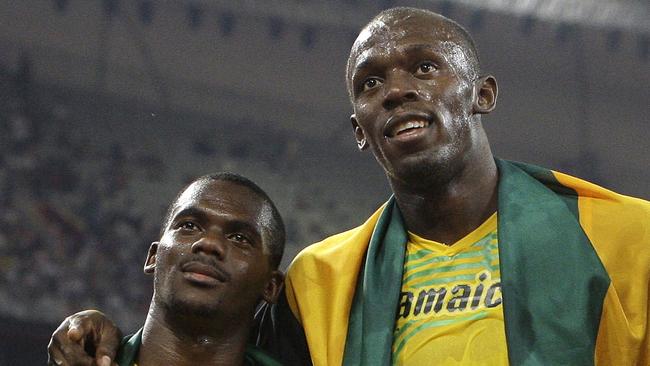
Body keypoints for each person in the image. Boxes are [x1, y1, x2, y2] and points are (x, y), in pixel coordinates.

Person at [48, 7, 650, 366]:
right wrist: (105, 338)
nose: (394, 90)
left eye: (424, 67)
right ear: (360, 131)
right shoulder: (319, 281)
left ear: (483, 95)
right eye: (370, 83)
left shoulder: (625, 236)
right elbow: (204, 345)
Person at [48, 173, 285, 366]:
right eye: (189, 225)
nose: (208, 243)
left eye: (239, 238)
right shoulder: (79, 359)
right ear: (153, 256)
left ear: (270, 286)